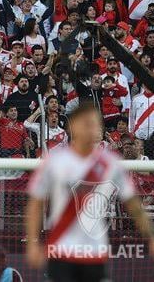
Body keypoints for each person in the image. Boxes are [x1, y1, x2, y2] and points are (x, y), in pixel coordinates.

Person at [26, 102, 154, 281]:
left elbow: (133, 203)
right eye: (87, 123)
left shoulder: (110, 163)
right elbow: (35, 203)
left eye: (95, 124)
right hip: (61, 249)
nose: (92, 128)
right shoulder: (55, 161)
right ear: (74, 126)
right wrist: (32, 243)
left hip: (94, 251)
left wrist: (150, 235)